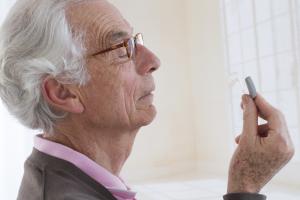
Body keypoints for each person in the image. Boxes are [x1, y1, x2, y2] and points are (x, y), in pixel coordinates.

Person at [0, 0, 294, 200]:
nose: (153, 60)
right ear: (64, 91)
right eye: (121, 48)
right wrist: (246, 184)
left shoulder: (67, 176)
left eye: (135, 40)